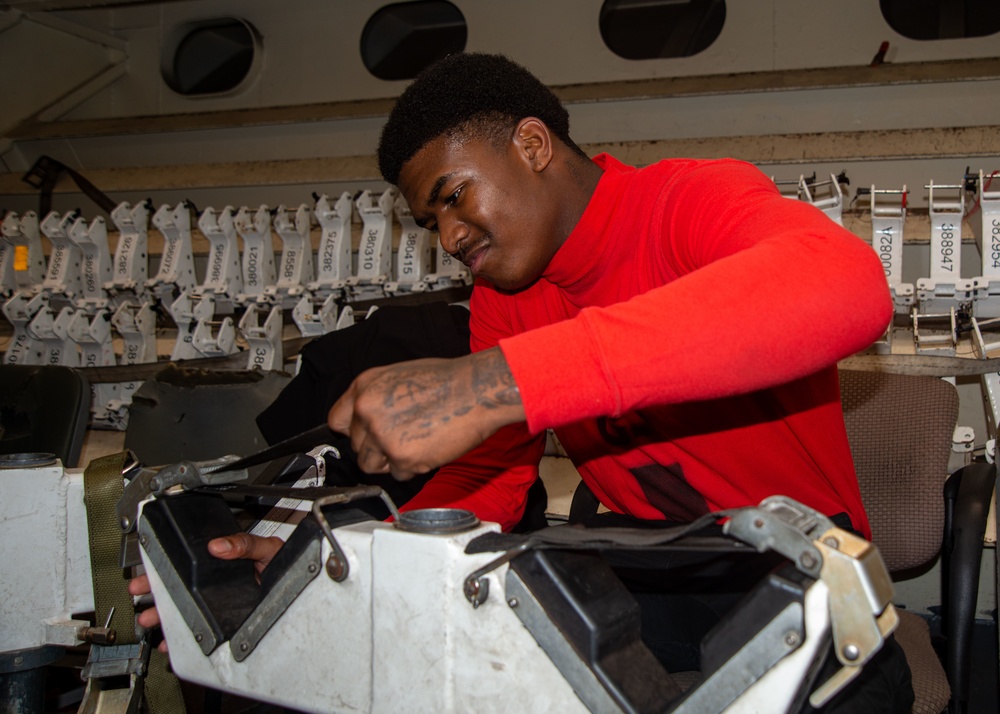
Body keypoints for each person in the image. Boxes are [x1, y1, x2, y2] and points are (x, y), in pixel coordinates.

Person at [134, 52, 910, 710]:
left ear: (533, 144)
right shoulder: (508, 298)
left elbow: (844, 285)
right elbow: (491, 473)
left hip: (802, 579)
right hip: (647, 571)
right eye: (429, 224)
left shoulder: (683, 202)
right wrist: (341, 569)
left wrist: (495, 382)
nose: (449, 238)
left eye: (453, 197)